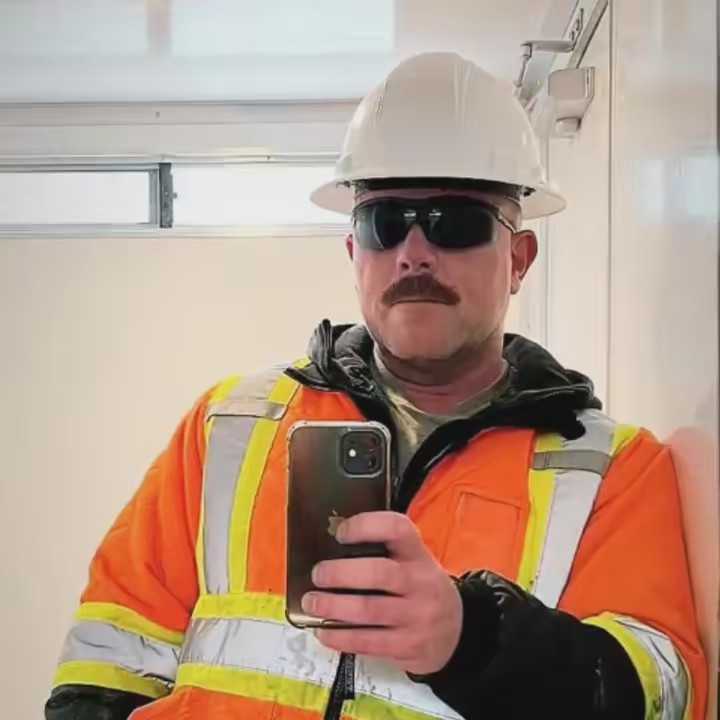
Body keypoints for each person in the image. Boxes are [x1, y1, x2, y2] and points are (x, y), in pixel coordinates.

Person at [45, 52, 706, 720]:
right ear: (354, 253)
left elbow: (657, 694)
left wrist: (474, 637)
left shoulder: (611, 471)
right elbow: (108, 658)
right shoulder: (227, 427)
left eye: (457, 223)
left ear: (519, 258)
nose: (413, 254)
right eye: (384, 222)